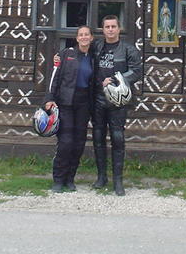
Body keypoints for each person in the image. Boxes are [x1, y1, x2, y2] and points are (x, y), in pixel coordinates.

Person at [91, 15, 142, 196]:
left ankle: (118, 181)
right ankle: (101, 177)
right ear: (103, 29)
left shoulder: (129, 49)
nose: (110, 29)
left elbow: (136, 71)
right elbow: (84, 62)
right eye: (107, 27)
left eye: (113, 26)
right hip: (98, 98)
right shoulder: (96, 47)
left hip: (118, 99)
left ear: (119, 29)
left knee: (117, 138)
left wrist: (114, 80)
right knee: (98, 137)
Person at [43, 25, 94, 193]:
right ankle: (58, 180)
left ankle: (70, 179)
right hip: (65, 102)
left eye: (87, 34)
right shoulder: (66, 54)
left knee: (79, 143)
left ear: (91, 38)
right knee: (65, 142)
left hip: (84, 104)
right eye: (81, 35)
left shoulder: (94, 57)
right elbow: (54, 77)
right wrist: (49, 98)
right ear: (77, 38)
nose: (84, 37)